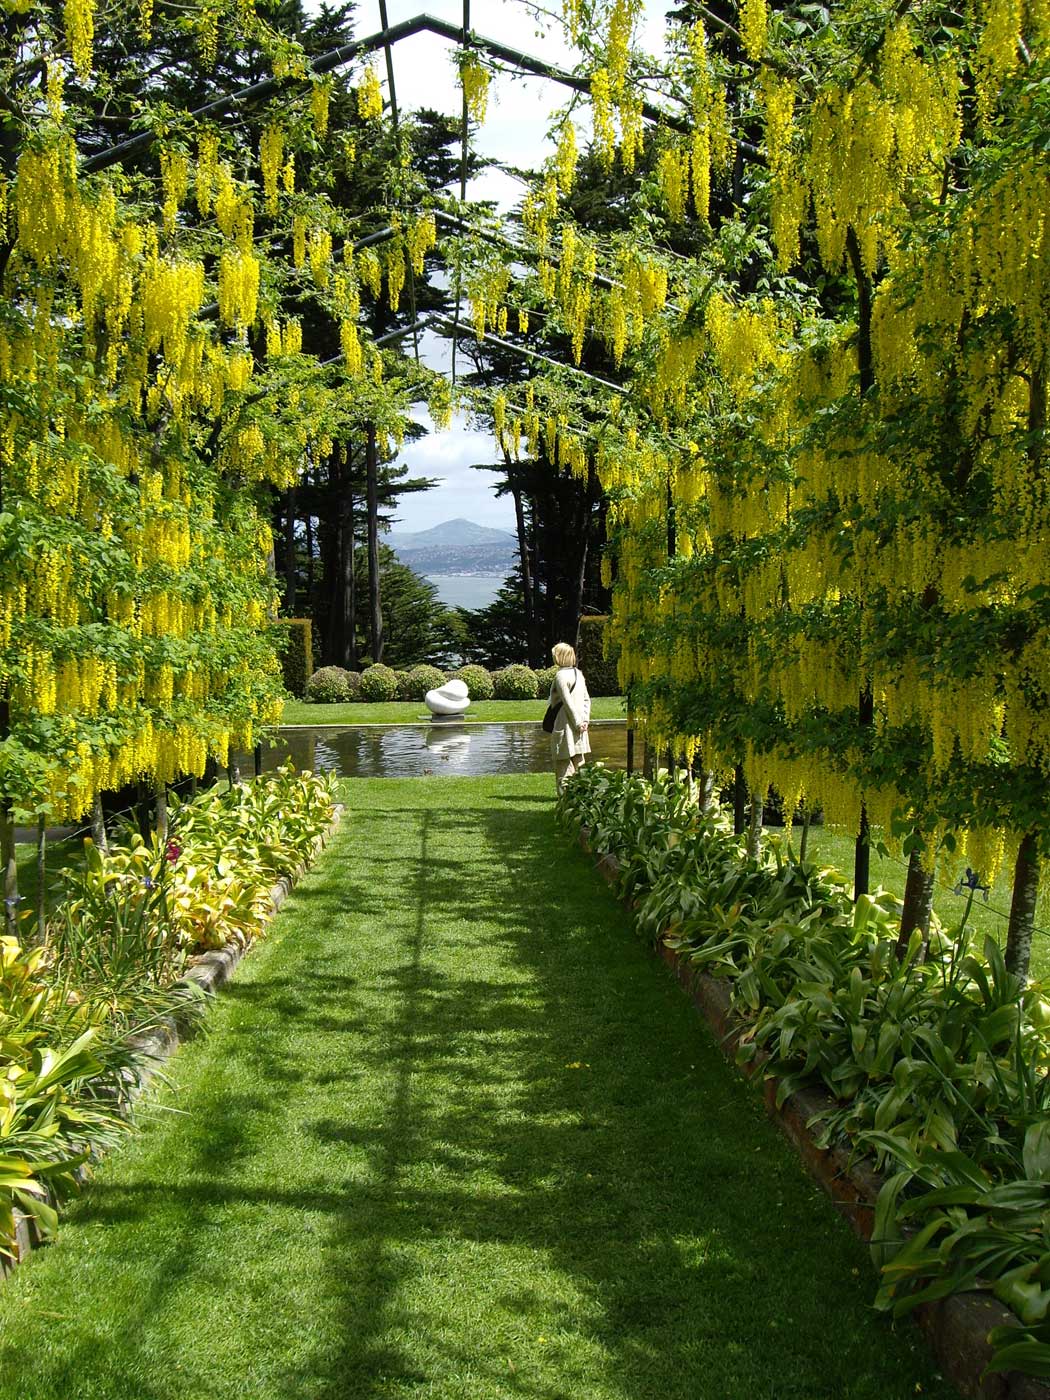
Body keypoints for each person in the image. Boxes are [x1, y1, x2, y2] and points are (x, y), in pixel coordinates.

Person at [549, 641, 591, 792]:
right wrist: (585, 720)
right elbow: (587, 699)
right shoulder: (578, 674)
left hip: (566, 724)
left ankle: (566, 798)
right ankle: (583, 794)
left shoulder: (560, 676)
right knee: (579, 762)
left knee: (563, 763)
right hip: (579, 726)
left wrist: (579, 722)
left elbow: (567, 703)